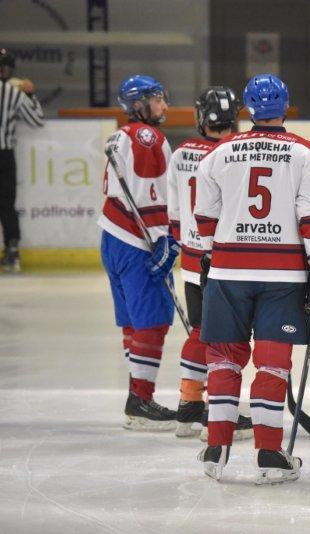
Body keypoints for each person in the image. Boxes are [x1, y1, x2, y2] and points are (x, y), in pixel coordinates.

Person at [193, 74, 310, 484]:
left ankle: (216, 449)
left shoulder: (219, 153)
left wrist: (208, 252)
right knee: (272, 364)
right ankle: (269, 454)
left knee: (222, 358)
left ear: (247, 110)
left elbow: (204, 215)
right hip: (283, 276)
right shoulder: (306, 154)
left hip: (228, 271)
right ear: (286, 107)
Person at [166, 86, 253, 441]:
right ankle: (218, 410)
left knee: (201, 331)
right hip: (226, 259)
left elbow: (173, 218)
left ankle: (188, 406)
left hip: (191, 257)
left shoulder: (181, 153)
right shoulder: (236, 153)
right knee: (226, 338)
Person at [99, 75, 178, 431]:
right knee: (154, 319)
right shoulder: (147, 137)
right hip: (136, 241)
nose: (164, 106)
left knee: (133, 321)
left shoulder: (120, 135)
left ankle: (136, 395)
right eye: (157, 99)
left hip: (112, 237)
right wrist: (163, 240)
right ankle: (141, 399)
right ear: (138, 104)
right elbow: (149, 193)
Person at [0, 48, 44, 272]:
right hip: (5, 154)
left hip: (5, 154)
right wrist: (30, 93)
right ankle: (12, 251)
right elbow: (37, 119)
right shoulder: (13, 93)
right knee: (7, 204)